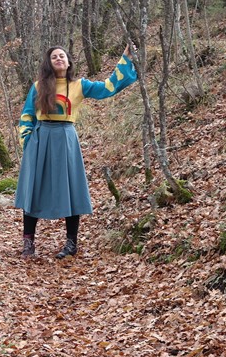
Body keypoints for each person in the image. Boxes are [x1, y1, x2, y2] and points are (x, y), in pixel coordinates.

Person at [14, 43, 138, 259]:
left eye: (62, 56)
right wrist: (27, 139)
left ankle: (71, 243)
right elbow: (27, 114)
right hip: (40, 139)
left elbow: (109, 87)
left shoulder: (80, 85)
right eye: (54, 57)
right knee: (34, 189)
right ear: (49, 63)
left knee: (70, 189)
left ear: (69, 61)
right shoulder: (38, 86)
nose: (59, 59)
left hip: (66, 140)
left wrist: (125, 58)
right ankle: (28, 243)